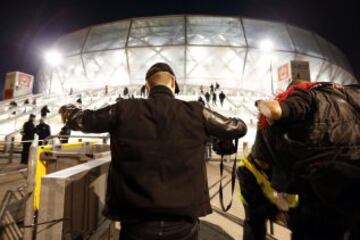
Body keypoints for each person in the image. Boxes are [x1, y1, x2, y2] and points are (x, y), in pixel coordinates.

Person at [59, 62, 247, 240]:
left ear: (147, 87)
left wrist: (67, 110)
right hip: (183, 219)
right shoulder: (196, 111)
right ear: (173, 82)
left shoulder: (123, 109)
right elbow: (237, 127)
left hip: (135, 218)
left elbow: (81, 120)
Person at [255, 80, 360, 240]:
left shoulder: (304, 97)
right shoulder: (349, 93)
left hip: (316, 190)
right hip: (353, 183)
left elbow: (282, 111)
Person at [238, 129, 298, 240]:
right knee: (255, 223)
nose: (267, 165)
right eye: (263, 161)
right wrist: (275, 214)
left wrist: (288, 210)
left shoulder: (277, 162)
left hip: (276, 197)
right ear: (255, 157)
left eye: (269, 161)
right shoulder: (244, 169)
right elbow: (255, 203)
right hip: (253, 202)